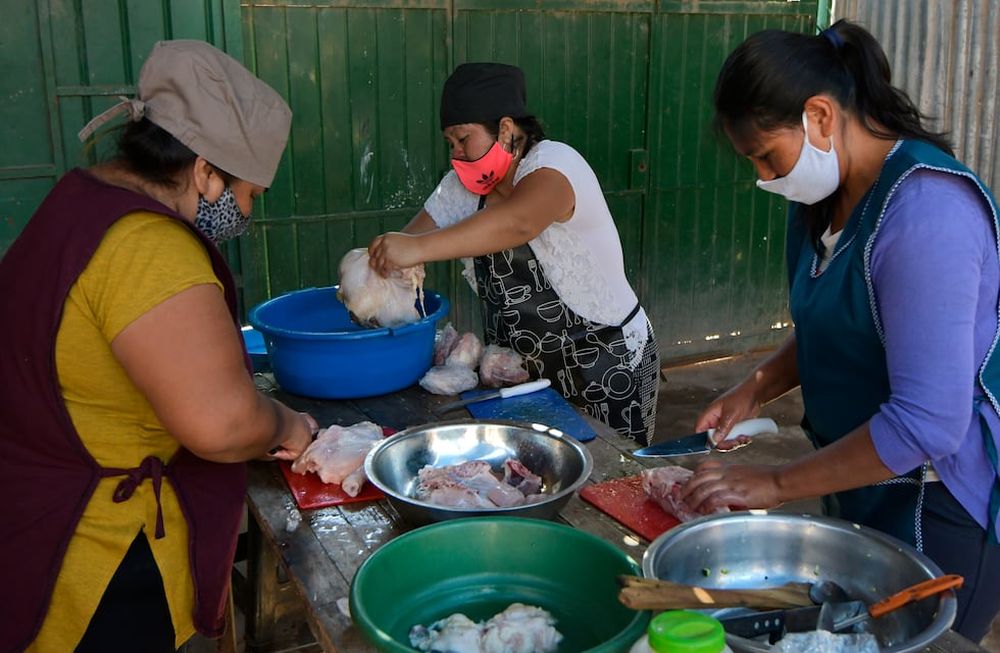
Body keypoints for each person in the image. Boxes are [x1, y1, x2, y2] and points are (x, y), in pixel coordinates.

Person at [682, 20, 1000, 641]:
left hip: (938, 502)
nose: (765, 178)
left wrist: (774, 483)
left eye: (767, 157)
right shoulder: (822, 206)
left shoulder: (925, 214)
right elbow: (841, 323)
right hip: (862, 480)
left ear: (821, 116)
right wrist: (754, 386)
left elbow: (929, 421)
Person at [0, 41, 317, 652]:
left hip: (30, 508)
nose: (246, 211)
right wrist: (284, 422)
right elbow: (222, 425)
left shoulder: (80, 200)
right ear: (204, 171)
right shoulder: (149, 246)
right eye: (249, 193)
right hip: (96, 551)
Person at [367, 62, 660, 442]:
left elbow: (518, 222)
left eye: (463, 138)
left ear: (505, 130)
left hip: (609, 362)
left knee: (611, 481)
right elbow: (402, 248)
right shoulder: (461, 189)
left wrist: (418, 248)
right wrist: (377, 268)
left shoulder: (555, 165)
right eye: (450, 144)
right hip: (523, 377)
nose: (456, 154)